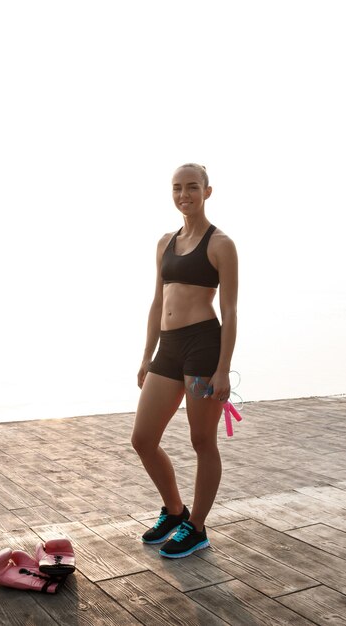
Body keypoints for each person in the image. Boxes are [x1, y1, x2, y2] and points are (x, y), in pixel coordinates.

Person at [131, 163, 238, 558]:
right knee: (142, 439)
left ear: (207, 192)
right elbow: (158, 301)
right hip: (168, 349)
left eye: (192, 187)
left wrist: (223, 369)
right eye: (177, 188)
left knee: (201, 440)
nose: (184, 195)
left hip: (203, 348)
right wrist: (146, 354)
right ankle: (175, 511)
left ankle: (197, 528)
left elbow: (230, 311)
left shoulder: (220, 244)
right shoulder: (165, 242)